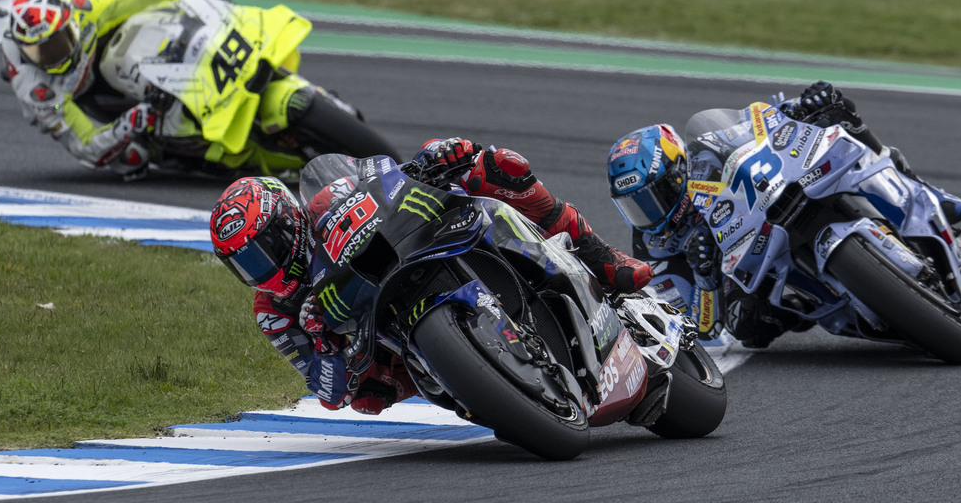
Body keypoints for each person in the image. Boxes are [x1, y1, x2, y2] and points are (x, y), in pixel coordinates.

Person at [209, 138, 653, 414]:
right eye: (244, 266)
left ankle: (598, 254)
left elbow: (380, 178)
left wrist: (433, 158)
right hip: (378, 333)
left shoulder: (327, 200)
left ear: (289, 223)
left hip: (414, 241)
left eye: (263, 253)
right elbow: (330, 394)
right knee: (367, 400)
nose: (262, 271)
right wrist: (324, 344)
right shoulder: (274, 310)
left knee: (493, 165)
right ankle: (475, 380)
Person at [606, 81, 961, 350]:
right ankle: (834, 304)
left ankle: (927, 194)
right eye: (635, 206)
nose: (649, 214)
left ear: (679, 172)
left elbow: (758, 125)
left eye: (654, 198)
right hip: (750, 278)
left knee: (840, 115)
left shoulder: (707, 153)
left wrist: (805, 106)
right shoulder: (654, 250)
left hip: (777, 203)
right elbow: (701, 330)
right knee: (748, 326)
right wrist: (704, 277)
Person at [0, 0, 240, 178]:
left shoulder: (85, 8)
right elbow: (86, 146)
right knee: (131, 158)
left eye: (59, 43)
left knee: (159, 8)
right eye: (40, 53)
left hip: (104, 51)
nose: (54, 57)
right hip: (75, 96)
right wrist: (129, 123)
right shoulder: (36, 89)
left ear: (73, 23)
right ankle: (184, 155)